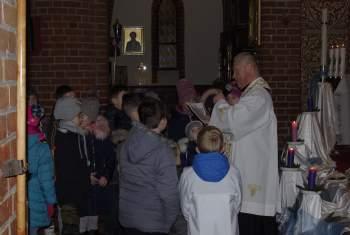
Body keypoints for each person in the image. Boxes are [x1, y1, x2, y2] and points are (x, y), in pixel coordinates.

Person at [209, 52, 280, 235]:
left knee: (251, 227)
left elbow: (235, 122)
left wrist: (220, 104)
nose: (233, 76)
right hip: (247, 172)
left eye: (236, 70)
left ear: (248, 68)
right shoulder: (252, 95)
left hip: (253, 180)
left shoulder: (259, 96)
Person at [119, 97, 179, 235]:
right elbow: (169, 195)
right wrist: (167, 224)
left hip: (128, 217)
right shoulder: (163, 151)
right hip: (153, 221)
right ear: (163, 121)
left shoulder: (129, 139)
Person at [179, 126, 242, 235]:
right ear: (223, 148)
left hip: (198, 230)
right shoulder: (234, 173)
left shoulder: (187, 175)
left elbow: (185, 208)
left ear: (197, 149)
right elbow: (237, 205)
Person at [53, 96, 90, 235]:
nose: (81, 118)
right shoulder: (65, 138)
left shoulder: (76, 134)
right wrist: (85, 176)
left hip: (76, 192)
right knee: (70, 228)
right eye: (78, 115)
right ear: (70, 115)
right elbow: (69, 169)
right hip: (69, 194)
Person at [27, 105, 56, 235]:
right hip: (36, 199)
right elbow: (46, 180)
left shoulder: (14, 141)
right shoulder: (41, 146)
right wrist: (51, 202)